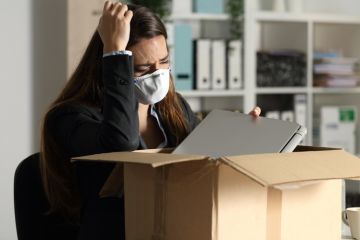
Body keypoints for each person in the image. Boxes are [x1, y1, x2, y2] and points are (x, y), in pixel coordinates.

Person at [39, 1, 261, 239]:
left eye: (164, 62)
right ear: (114, 67)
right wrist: (114, 51)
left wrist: (240, 138)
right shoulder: (68, 117)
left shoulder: (174, 109)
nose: (157, 75)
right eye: (143, 69)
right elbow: (121, 142)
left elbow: (204, 165)